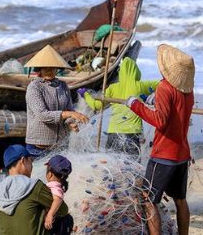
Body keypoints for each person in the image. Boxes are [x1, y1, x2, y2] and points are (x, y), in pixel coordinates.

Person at [127, 44, 195, 235]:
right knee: (180, 200)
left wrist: (135, 105)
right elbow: (173, 112)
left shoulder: (165, 87)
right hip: (182, 153)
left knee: (148, 200)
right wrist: (153, 100)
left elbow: (160, 121)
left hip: (164, 154)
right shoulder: (187, 90)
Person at [79, 56, 158, 156]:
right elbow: (163, 84)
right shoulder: (141, 86)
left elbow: (96, 105)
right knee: (131, 167)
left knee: (113, 166)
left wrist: (85, 94)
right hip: (132, 133)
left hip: (113, 133)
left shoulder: (113, 88)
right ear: (136, 70)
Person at [25, 45, 89, 158]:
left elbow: (69, 109)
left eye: (53, 67)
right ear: (39, 69)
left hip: (60, 146)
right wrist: (69, 114)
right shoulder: (34, 87)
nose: (50, 70)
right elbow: (42, 115)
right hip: (39, 148)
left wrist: (70, 122)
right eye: (46, 67)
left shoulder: (63, 85)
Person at [0, 144, 70, 235]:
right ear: (23, 160)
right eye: (31, 161)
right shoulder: (34, 186)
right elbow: (63, 209)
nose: (32, 166)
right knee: (66, 219)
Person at [43, 155, 74, 235]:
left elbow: (57, 199)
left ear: (49, 174)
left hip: (55, 224)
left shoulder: (54, 185)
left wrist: (50, 214)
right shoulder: (57, 185)